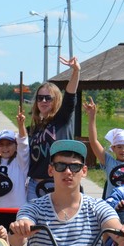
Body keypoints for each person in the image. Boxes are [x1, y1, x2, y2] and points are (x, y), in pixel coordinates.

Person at [27, 56, 81, 191]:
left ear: (56, 100)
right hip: (35, 186)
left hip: (58, 184)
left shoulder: (62, 120)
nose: (43, 101)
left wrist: (76, 72)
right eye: (40, 98)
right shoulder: (33, 129)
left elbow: (70, 97)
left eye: (48, 98)